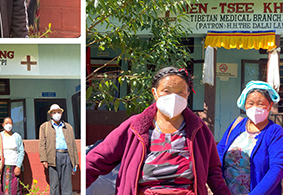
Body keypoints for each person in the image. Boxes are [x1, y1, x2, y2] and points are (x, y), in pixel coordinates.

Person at [87, 67, 230, 195]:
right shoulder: (134, 127)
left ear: (188, 94)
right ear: (154, 93)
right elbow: (96, 161)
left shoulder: (199, 130)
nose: (174, 97)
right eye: (166, 91)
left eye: (180, 92)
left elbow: (213, 172)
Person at [217, 81, 283, 195]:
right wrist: (219, 187)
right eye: (250, 103)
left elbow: (277, 168)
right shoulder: (236, 125)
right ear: (244, 105)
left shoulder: (275, 132)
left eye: (261, 104)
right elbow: (219, 152)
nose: (255, 107)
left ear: (270, 105)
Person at [40, 104, 79, 195]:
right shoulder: (44, 127)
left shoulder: (68, 127)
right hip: (53, 156)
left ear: (61, 113)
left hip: (67, 156)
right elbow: (42, 144)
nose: (56, 114)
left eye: (58, 112)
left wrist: (75, 161)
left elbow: (73, 145)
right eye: (54, 112)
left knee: (67, 184)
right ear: (50, 114)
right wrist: (44, 159)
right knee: (54, 184)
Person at [0, 117, 25, 195]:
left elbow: (21, 152)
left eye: (10, 123)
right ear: (3, 125)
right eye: (6, 123)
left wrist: (18, 166)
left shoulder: (17, 136)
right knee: (3, 189)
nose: (8, 125)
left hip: (14, 166)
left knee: (15, 189)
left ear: (12, 124)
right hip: (2, 167)